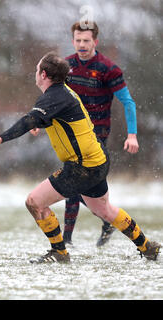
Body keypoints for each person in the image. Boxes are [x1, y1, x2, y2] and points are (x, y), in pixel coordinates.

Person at [0, 52, 160, 263]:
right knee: (105, 210)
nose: (35, 73)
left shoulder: (54, 96)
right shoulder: (64, 92)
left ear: (43, 74)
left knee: (34, 202)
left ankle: (59, 252)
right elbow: (55, 118)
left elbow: (28, 120)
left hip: (82, 167)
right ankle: (147, 247)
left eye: (37, 70)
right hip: (98, 160)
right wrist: (40, 122)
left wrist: (0, 138)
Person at [32, 21, 140, 247]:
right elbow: (54, 99)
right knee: (79, 187)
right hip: (70, 135)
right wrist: (38, 122)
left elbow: (127, 102)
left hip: (96, 137)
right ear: (72, 41)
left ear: (95, 42)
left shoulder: (108, 69)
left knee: (76, 184)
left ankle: (71, 238)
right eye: (78, 40)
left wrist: (132, 134)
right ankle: (95, 225)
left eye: (86, 41)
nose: (82, 45)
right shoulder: (66, 67)